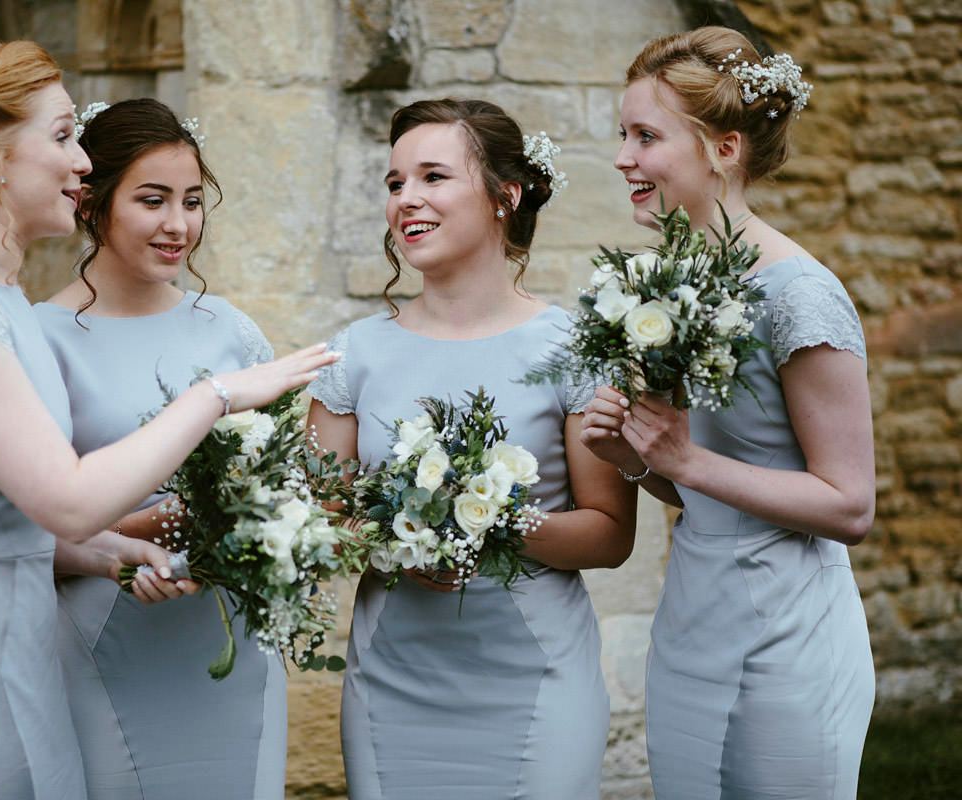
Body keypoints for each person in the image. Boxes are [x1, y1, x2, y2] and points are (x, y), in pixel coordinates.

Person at [0, 40, 335, 799]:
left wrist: (118, 555)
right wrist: (216, 396)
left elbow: (13, 522)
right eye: (64, 137)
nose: (81, 164)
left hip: (17, 656)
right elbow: (63, 498)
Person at [307, 98, 638, 800]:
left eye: (433, 177)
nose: (407, 200)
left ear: (503, 196)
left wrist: (488, 525)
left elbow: (610, 534)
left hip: (536, 680)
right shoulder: (353, 354)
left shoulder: (573, 349)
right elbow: (317, 526)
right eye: (396, 183)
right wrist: (395, 538)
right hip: (394, 682)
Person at [579, 26, 875, 799]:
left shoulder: (800, 295)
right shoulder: (675, 287)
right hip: (691, 621)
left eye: (646, 136)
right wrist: (634, 459)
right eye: (624, 135)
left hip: (789, 632)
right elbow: (695, 483)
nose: (623, 158)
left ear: (725, 148)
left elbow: (848, 504)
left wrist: (683, 458)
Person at [33, 98, 286, 799]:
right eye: (153, 200)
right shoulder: (41, 340)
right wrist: (151, 528)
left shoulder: (230, 333)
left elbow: (287, 487)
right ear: (93, 203)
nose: (179, 225)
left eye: (193, 201)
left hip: (229, 641)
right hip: (107, 637)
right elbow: (19, 529)